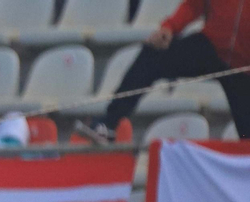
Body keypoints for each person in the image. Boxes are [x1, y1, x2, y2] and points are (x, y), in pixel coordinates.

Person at [77, 0, 250, 144]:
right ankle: (108, 125)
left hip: (244, 68)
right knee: (154, 54)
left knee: (246, 139)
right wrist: (169, 28)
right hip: (212, 47)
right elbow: (193, 5)